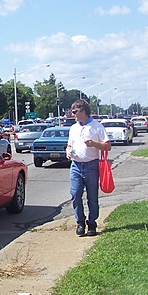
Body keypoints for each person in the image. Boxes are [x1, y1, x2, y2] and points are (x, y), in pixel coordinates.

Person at [66, 99, 111, 237]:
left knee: (92, 196)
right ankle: (80, 222)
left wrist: (94, 144)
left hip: (92, 165)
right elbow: (69, 145)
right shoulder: (73, 128)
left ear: (83, 111)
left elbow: (107, 146)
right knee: (75, 193)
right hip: (76, 165)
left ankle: (92, 223)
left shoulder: (97, 126)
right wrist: (68, 151)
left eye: (75, 112)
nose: (72, 114)